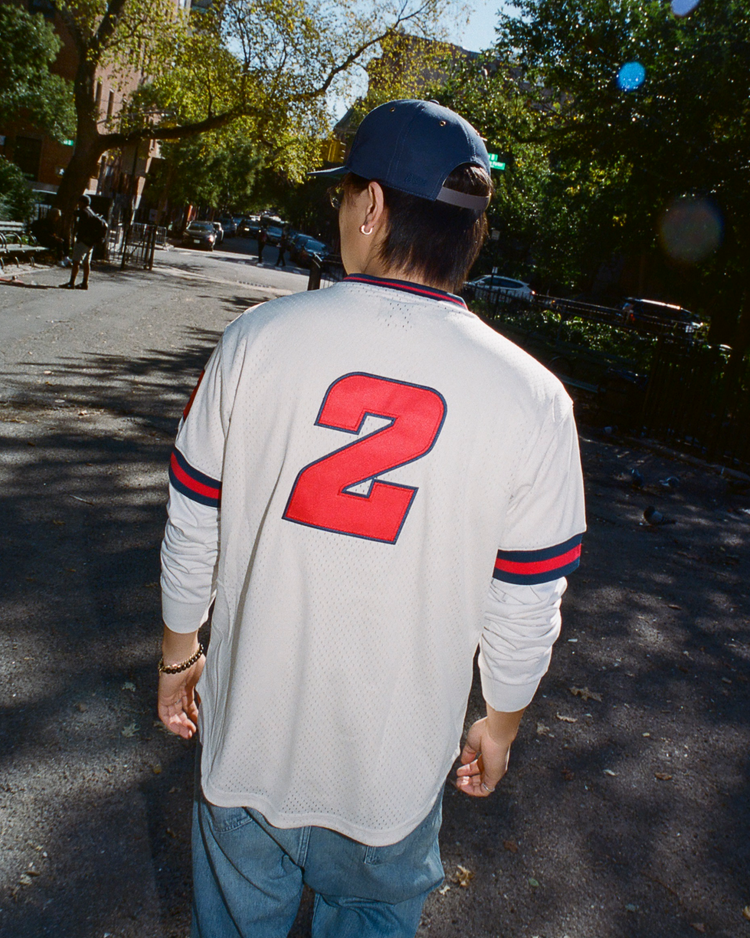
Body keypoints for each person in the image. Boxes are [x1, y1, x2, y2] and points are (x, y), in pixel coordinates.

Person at [158, 98, 586, 938]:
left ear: (373, 206)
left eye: (344, 194)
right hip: (390, 782)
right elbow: (527, 595)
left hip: (249, 743)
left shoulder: (256, 339)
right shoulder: (535, 397)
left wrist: (181, 652)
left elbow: (193, 522)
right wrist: (499, 721)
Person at [64, 195, 100, 290]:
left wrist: (78, 237)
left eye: (79, 202)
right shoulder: (92, 212)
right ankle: (85, 282)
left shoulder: (83, 212)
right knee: (86, 263)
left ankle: (71, 282)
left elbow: (80, 226)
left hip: (83, 241)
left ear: (83, 202)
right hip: (90, 242)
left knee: (76, 262)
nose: (78, 204)